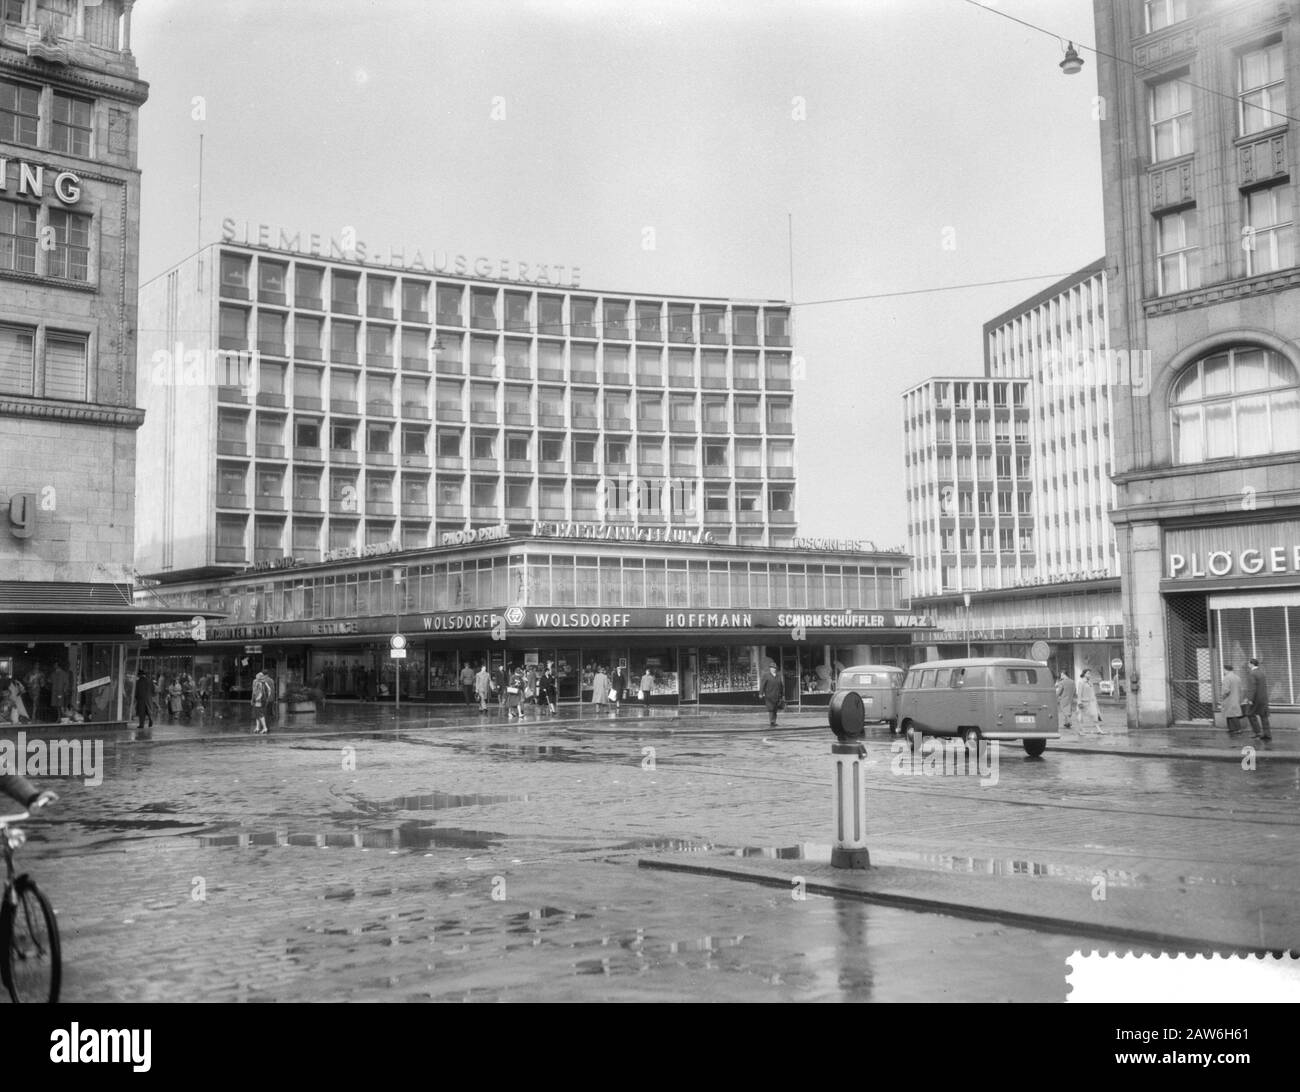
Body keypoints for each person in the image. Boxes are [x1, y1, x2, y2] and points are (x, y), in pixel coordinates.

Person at [1244, 657, 1273, 742]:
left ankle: (1257, 732)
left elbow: (1252, 688)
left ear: (1252, 664)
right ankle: (1267, 734)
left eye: (1248, 663)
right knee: (1264, 716)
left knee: (1249, 714)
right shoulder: (1261, 672)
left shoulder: (1252, 674)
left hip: (1255, 699)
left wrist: (1250, 699)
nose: (1247, 664)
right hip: (1263, 698)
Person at [1220, 663, 1246, 736]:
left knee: (1232, 714)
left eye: (1223, 670)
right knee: (1230, 714)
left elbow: (1226, 690)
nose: (1223, 671)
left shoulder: (1226, 678)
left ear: (1226, 670)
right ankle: (1232, 729)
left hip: (1229, 699)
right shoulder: (1237, 677)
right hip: (1236, 698)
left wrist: (1223, 697)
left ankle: (1237, 729)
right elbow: (1241, 689)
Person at [760, 663, 785, 728]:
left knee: (775, 709)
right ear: (770, 668)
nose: (773, 669)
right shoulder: (766, 676)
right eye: (772, 668)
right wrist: (761, 693)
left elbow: (781, 686)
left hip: (777, 695)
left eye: (774, 668)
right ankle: (772, 722)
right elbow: (762, 685)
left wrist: (782, 694)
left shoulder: (778, 676)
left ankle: (774, 721)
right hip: (769, 696)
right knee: (771, 709)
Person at [251, 670, 273, 734]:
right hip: (263, 700)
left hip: (258, 700)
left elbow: (254, 692)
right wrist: (267, 698)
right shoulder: (264, 682)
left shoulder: (257, 682)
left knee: (260, 714)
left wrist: (254, 699)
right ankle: (257, 728)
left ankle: (264, 728)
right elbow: (269, 690)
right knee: (257, 714)